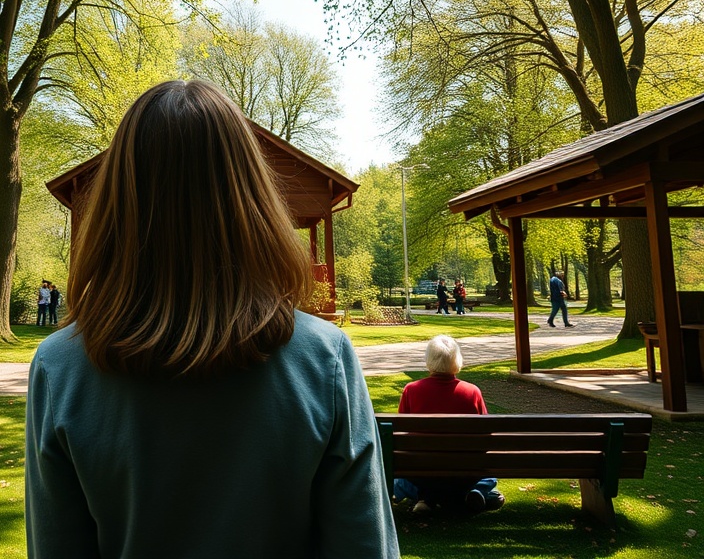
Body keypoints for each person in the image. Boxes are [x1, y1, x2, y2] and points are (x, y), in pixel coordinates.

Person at [25, 80, 399, 559]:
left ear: (119, 202)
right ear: (252, 197)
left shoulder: (60, 368)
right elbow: (364, 545)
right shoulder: (323, 359)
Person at [394, 335, 505, 515]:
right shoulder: (472, 391)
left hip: (422, 473)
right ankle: (473, 493)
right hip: (463, 474)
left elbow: (402, 432)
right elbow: (485, 434)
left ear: (429, 359)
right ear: (456, 359)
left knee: (401, 482)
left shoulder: (411, 390)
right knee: (488, 478)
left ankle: (426, 497)